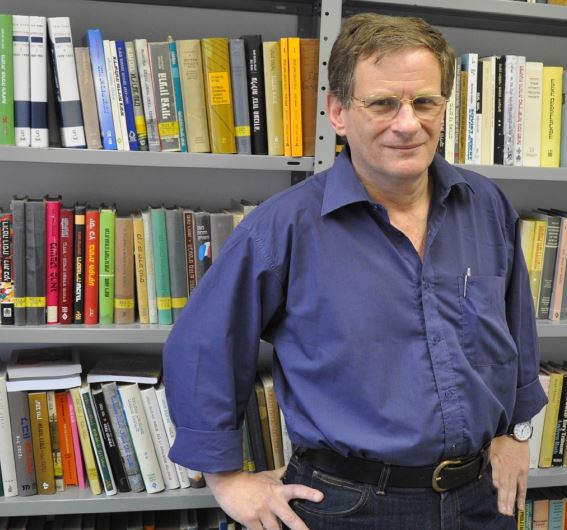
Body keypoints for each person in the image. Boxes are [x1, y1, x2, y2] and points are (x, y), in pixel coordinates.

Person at [164, 12, 547, 530]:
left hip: (480, 500)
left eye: (425, 102)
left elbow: (515, 328)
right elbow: (203, 345)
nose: (407, 124)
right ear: (339, 113)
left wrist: (516, 434)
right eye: (383, 103)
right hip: (347, 507)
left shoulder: (486, 205)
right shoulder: (284, 226)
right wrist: (227, 480)